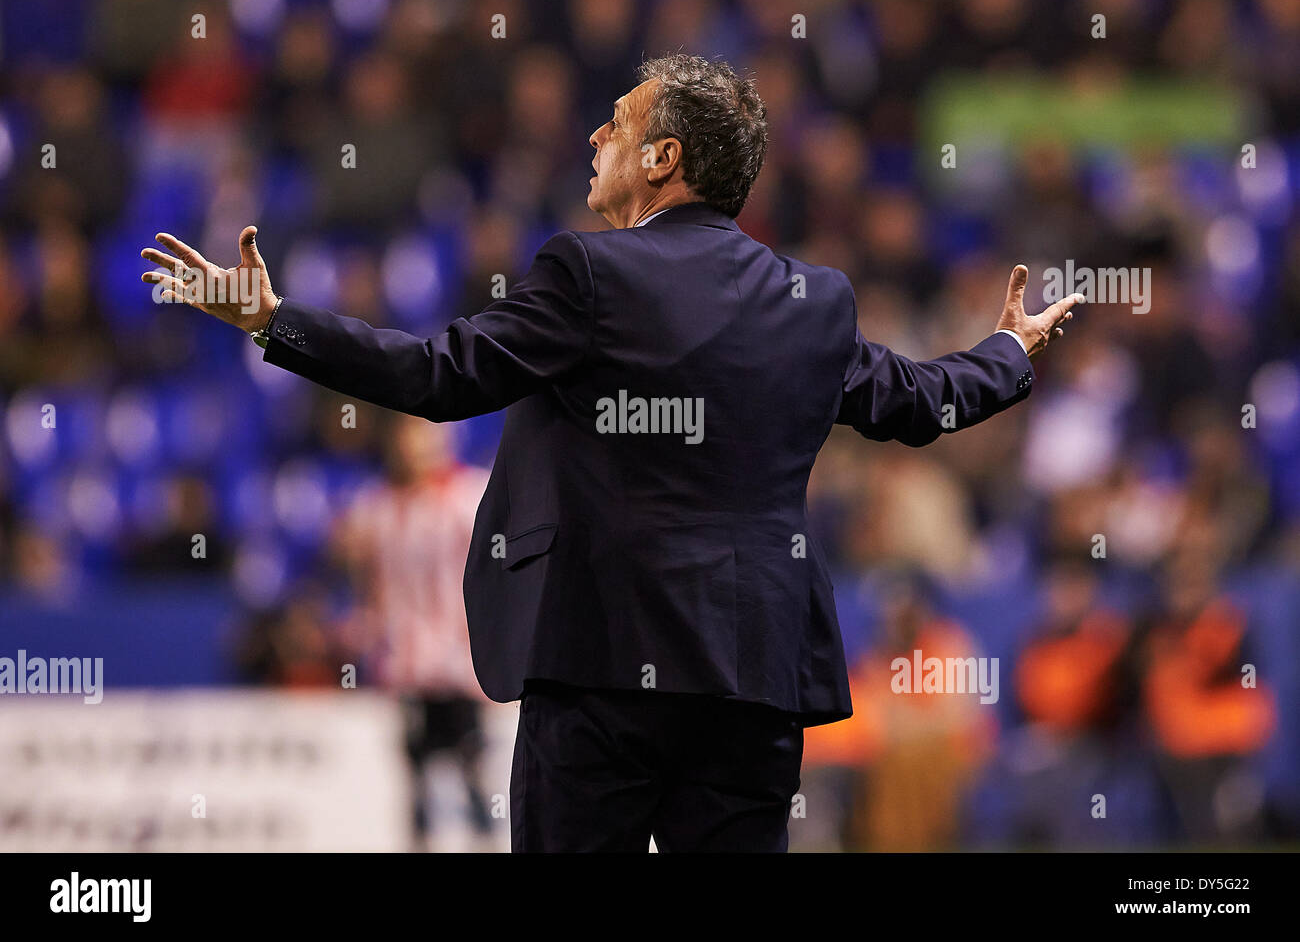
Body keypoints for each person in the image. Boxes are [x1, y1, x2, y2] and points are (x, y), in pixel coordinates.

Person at [139, 54, 1081, 852]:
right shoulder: (813, 298)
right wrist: (1007, 352)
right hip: (754, 676)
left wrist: (273, 321)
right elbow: (919, 403)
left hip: (602, 668)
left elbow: (436, 378)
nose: (595, 138)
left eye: (616, 124)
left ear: (663, 158)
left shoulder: (589, 271)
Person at [333, 414, 493, 850]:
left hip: (460, 663)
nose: (415, 446)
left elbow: (499, 575)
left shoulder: (470, 496)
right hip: (406, 663)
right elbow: (362, 575)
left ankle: (485, 842)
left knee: (472, 765)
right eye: (407, 435)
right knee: (417, 771)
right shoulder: (376, 505)